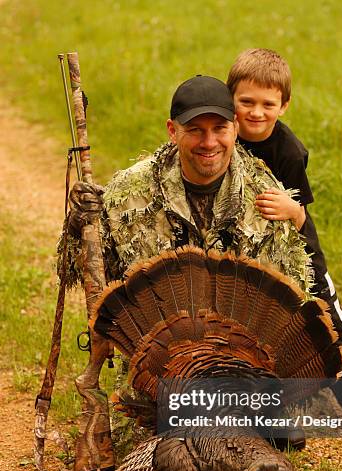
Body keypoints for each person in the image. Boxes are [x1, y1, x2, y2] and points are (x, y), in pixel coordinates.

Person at [65, 75, 313, 451]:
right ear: (172, 131)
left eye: (219, 129)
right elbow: (75, 272)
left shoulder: (265, 192)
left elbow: (295, 290)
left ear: (234, 129)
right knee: (172, 454)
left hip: (239, 368)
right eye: (195, 130)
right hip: (161, 371)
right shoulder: (129, 192)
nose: (209, 142)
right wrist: (77, 224)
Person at [226, 48, 342, 436]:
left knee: (329, 318)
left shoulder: (288, 151)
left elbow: (300, 214)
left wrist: (292, 208)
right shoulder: (224, 136)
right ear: (230, 99)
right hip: (249, 251)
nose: (255, 112)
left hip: (297, 247)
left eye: (267, 104)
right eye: (246, 101)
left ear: (283, 106)